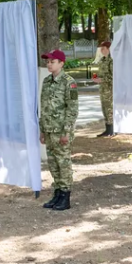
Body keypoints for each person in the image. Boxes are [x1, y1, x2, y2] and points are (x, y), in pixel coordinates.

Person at [39, 49, 79, 211]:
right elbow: (44, 107)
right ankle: (57, 192)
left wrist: (66, 132)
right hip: (49, 129)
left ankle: (65, 195)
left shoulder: (69, 82)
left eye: (52, 61)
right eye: (48, 62)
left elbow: (72, 109)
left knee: (63, 163)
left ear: (61, 63)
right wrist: (42, 130)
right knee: (53, 163)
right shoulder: (47, 81)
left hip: (61, 130)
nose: (49, 64)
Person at [93, 41, 114, 137]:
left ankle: (112, 130)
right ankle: (107, 129)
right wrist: (97, 78)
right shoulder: (102, 60)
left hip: (110, 89)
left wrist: (102, 79)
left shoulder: (111, 60)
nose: (101, 50)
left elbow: (113, 76)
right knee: (104, 108)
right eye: (101, 48)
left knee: (109, 109)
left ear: (109, 49)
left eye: (103, 48)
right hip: (103, 88)